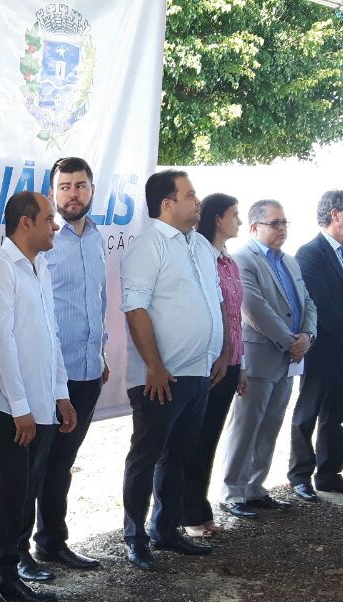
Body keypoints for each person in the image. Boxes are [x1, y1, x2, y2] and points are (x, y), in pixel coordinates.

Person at [0, 191, 77, 602]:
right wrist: (19, 406)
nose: (56, 226)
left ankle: (8, 575)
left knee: (26, 493)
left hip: (40, 404)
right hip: (7, 408)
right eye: (49, 218)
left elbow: (49, 336)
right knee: (7, 494)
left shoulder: (40, 266)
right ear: (26, 223)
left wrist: (60, 393)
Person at [120, 170, 229, 571]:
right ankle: (135, 537)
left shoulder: (199, 245)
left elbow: (216, 302)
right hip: (160, 377)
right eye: (190, 195)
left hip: (200, 372)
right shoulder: (147, 247)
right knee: (146, 457)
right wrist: (155, 366)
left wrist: (222, 352)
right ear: (167, 204)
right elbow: (135, 308)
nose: (198, 202)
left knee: (179, 455)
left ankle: (165, 529)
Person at [21, 157, 107, 573]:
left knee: (61, 465)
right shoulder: (43, 241)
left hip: (89, 370)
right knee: (34, 468)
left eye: (81, 185)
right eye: (65, 186)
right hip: (53, 375)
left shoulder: (97, 237)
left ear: (92, 189)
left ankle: (52, 542)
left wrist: (102, 352)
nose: (74, 193)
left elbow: (98, 301)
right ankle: (16, 556)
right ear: (52, 194)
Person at [219, 200, 316, 517]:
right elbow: (253, 307)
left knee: (271, 426)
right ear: (254, 227)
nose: (282, 228)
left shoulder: (289, 261)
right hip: (261, 355)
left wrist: (307, 335)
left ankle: (256, 488)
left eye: (285, 222)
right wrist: (290, 341)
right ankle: (233, 491)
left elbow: (308, 302)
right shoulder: (242, 259)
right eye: (275, 223)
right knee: (246, 426)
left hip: (290, 358)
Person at [288, 190, 343, 500]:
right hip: (323, 349)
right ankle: (299, 476)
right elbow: (321, 304)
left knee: (335, 414)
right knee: (307, 414)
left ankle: (329, 474)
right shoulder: (310, 252)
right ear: (335, 214)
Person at [182, 193, 247, 536]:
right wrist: (222, 357)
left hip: (231, 361)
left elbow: (236, 318)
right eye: (234, 214)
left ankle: (198, 505)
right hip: (209, 362)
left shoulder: (229, 261)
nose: (238, 220)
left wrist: (241, 363)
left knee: (210, 439)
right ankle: (190, 512)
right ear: (217, 219)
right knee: (198, 439)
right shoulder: (200, 255)